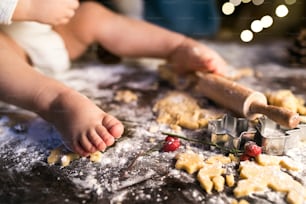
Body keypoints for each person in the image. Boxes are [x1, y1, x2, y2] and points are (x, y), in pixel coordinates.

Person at [0, 0, 227, 157]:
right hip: (9, 49)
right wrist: (23, 6)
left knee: (91, 15)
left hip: (42, 31)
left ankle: (175, 47)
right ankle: (57, 102)